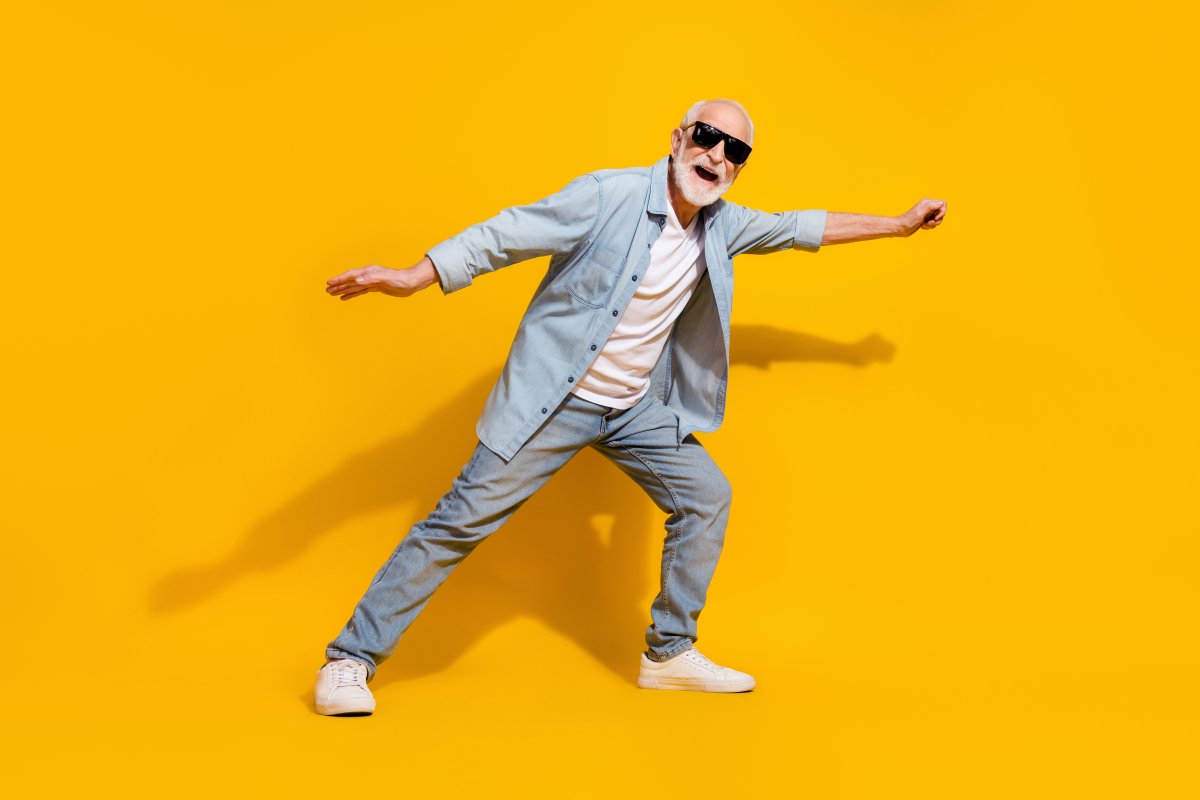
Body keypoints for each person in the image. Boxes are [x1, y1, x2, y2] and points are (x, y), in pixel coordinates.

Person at [316, 98, 947, 715]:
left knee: (707, 496)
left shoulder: (723, 225)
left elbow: (800, 227)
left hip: (632, 407)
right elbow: (506, 233)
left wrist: (898, 224)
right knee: (457, 523)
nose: (717, 155)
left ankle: (669, 654)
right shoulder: (607, 196)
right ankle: (350, 659)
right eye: (706, 136)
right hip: (554, 400)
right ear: (677, 140)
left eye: (735, 150)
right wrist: (416, 274)